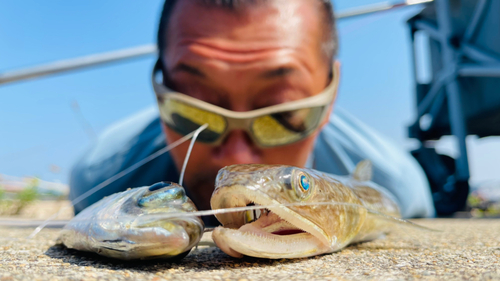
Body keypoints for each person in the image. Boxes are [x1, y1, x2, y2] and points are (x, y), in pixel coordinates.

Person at [69, 0, 435, 224]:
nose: (236, 160)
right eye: (195, 113)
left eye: (282, 117)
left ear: (332, 95)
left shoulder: (394, 188)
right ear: (159, 89)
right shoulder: (101, 177)